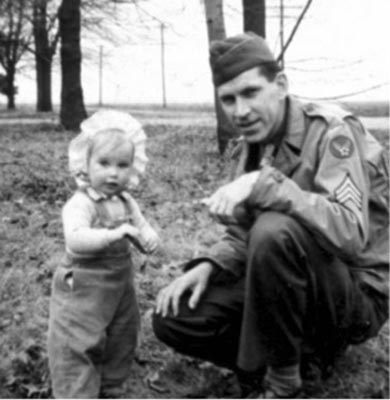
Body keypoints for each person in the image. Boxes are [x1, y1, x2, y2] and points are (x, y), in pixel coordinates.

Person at [152, 32, 389, 398]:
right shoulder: (247, 149)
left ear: (280, 84)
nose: (239, 111)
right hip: (286, 283)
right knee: (176, 317)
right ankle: (305, 356)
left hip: (353, 292)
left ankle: (283, 381)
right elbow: (243, 234)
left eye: (250, 93)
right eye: (228, 99)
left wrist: (267, 184)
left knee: (275, 228)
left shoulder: (333, 133)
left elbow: (350, 233)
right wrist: (210, 265)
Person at [48, 110, 159, 398]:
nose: (113, 173)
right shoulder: (81, 203)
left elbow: (141, 225)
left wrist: (148, 237)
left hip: (119, 287)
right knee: (78, 340)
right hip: (83, 287)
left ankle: (111, 387)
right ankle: (78, 392)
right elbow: (75, 240)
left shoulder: (125, 200)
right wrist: (113, 235)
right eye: (104, 163)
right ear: (86, 163)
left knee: (122, 334)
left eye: (123, 165)